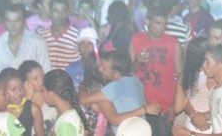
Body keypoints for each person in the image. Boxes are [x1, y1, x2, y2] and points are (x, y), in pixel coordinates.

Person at [129, 7, 183, 135]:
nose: (161, 27)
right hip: (139, 104)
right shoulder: (136, 40)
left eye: (164, 24)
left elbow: (181, 76)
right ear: (148, 21)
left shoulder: (173, 43)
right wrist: (137, 62)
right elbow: (129, 73)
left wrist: (175, 106)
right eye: (158, 23)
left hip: (164, 107)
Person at [172, 45, 222, 136]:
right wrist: (202, 116)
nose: (203, 65)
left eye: (207, 61)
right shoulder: (214, 90)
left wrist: (190, 134)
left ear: (221, 66)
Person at [79, 50, 159, 135]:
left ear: (115, 74)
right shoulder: (134, 77)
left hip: (128, 132)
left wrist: (83, 85)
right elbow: (144, 103)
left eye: (104, 68)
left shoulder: (113, 87)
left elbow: (82, 99)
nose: (101, 69)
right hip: (142, 129)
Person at [0, 5, 51, 75]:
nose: (12, 25)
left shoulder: (37, 43)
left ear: (23, 22)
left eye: (17, 21)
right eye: (9, 21)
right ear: (4, 22)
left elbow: (47, 73)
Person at [173, 37, 213, 134]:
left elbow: (177, 108)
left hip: (190, 125)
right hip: (210, 125)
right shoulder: (213, 75)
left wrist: (193, 115)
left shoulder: (184, 75)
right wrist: (203, 116)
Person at [42, 69, 89, 136]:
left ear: (51, 93)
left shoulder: (65, 123)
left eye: (43, 90)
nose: (42, 94)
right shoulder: (69, 113)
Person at [0, 68, 44, 136]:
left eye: (21, 87)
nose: (19, 92)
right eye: (13, 89)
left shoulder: (33, 109)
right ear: (3, 90)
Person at [39, 0, 80, 70]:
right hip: (48, 79)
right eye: (56, 11)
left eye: (63, 11)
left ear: (67, 12)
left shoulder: (76, 35)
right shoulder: (43, 35)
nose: (59, 15)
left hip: (69, 80)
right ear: (50, 11)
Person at [18, 61, 57, 136]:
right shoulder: (19, 102)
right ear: (25, 82)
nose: (41, 81)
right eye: (35, 79)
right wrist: (26, 99)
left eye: (42, 76)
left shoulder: (51, 96)